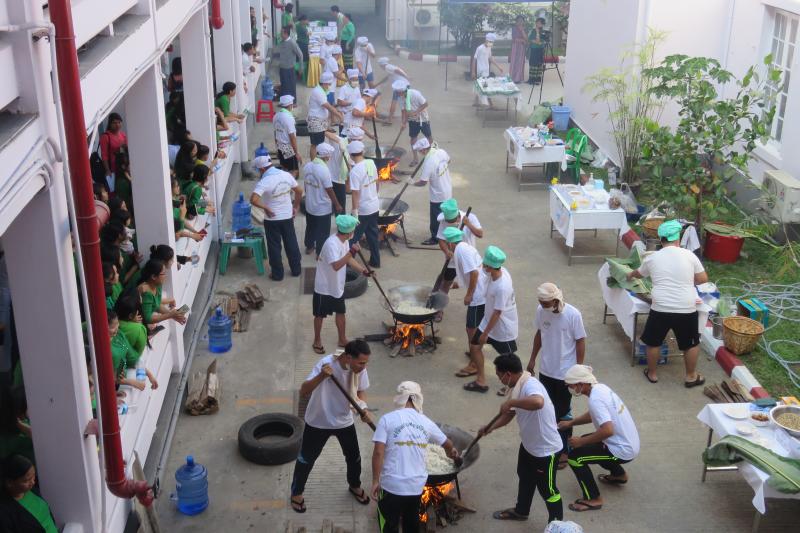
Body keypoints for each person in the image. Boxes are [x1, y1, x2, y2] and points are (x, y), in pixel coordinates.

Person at [477, 354, 563, 523]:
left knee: (548, 490)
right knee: (525, 476)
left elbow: (538, 402)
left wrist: (512, 403)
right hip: (529, 445)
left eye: (499, 376)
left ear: (508, 374)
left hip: (546, 451)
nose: (499, 380)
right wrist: (489, 428)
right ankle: (521, 511)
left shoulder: (531, 385)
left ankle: (557, 525)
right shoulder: (517, 386)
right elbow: (509, 415)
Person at [290, 340, 373, 513]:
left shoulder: (359, 369)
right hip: (319, 421)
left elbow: (360, 390)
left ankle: (354, 485)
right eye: (361, 363)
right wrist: (322, 376)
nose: (364, 367)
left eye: (365, 363)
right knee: (306, 459)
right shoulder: (326, 363)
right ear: (348, 357)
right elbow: (304, 390)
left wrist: (364, 408)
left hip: (344, 420)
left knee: (354, 457)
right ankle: (296, 493)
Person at [626, 219, 708, 387]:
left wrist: (630, 275)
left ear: (661, 239)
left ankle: (652, 374)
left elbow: (639, 274)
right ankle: (691, 376)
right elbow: (702, 279)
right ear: (677, 238)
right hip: (686, 307)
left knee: (653, 341)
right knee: (690, 344)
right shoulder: (689, 255)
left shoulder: (653, 258)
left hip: (660, 307)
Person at [371, 382, 460, 532]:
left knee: (388, 525)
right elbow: (447, 444)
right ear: (417, 398)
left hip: (391, 486)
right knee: (411, 525)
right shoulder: (426, 421)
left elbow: (378, 453)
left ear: (399, 398)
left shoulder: (387, 419)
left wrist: (375, 481)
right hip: (415, 487)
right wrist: (451, 452)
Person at [559, 364, 640, 513]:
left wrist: (580, 442)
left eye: (570, 385)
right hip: (629, 442)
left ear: (581, 384)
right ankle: (619, 475)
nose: (569, 388)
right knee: (587, 442)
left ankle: (593, 499)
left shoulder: (595, 399)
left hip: (622, 451)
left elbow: (608, 430)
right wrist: (571, 423)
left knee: (575, 457)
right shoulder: (600, 388)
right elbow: (594, 415)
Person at [526, 283, 587, 466]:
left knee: (563, 411)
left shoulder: (573, 315)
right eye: (540, 302)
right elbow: (539, 334)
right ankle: (550, 443)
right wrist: (532, 359)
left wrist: (578, 369)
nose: (542, 305)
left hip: (565, 374)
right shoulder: (541, 310)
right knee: (547, 409)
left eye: (545, 303)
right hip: (546, 370)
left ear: (555, 300)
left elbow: (580, 341)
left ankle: (565, 450)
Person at [312, 215, 369, 353]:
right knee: (319, 315)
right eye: (353, 230)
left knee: (341, 312)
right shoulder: (331, 244)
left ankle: (342, 339)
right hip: (324, 287)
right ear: (349, 232)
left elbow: (348, 260)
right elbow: (336, 266)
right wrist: (352, 252)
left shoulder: (344, 241)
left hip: (337, 285)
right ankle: (317, 341)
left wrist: (363, 270)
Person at [465, 246, 518, 393]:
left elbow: (498, 312)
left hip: (502, 327)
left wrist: (485, 333)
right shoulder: (499, 271)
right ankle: (481, 381)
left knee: (509, 359)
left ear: (490, 267)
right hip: (487, 320)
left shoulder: (502, 287)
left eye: (485, 264)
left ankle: (513, 386)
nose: (483, 265)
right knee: (474, 347)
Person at [442, 227, 490, 377]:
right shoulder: (463, 247)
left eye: (446, 243)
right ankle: (474, 352)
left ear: (450, 243)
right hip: (480, 291)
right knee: (472, 327)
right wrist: (458, 284)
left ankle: (475, 362)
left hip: (478, 296)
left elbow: (474, 273)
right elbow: (470, 271)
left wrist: (469, 294)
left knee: (471, 329)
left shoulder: (461, 251)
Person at [250, 154, 303, 280]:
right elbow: (299, 191)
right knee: (291, 242)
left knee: (274, 246)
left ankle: (277, 274)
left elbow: (253, 199)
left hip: (272, 219)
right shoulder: (286, 175)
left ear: (262, 169)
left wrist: (266, 208)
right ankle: (296, 270)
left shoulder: (265, 181)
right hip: (287, 216)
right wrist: (295, 207)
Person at [0, 455, 58, 532]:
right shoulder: (4, 513)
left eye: (33, 476)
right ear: (9, 483)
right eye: (26, 480)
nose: (33, 482)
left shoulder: (31, 490)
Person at [303, 143, 342, 256]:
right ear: (326, 156)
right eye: (329, 155)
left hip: (310, 206)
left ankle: (309, 246)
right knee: (323, 232)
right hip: (322, 208)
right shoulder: (324, 170)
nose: (330, 157)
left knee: (310, 227)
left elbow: (306, 185)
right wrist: (337, 204)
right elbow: (329, 190)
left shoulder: (307, 166)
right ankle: (320, 253)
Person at [412, 138, 452, 245]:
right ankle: (447, 234)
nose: (419, 153)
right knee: (446, 215)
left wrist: (412, 183)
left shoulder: (429, 161)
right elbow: (449, 160)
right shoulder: (441, 151)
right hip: (447, 188)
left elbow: (423, 182)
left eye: (419, 151)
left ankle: (435, 238)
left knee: (435, 218)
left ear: (423, 150)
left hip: (438, 195)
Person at [347, 141, 380, 269]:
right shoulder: (371, 163)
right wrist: (374, 195)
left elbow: (355, 193)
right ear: (362, 152)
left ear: (351, 155)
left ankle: (348, 263)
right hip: (374, 206)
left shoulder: (355, 171)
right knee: (372, 234)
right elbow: (377, 182)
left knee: (352, 236)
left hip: (363, 209)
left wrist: (354, 211)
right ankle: (375, 261)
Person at [138, 259, 187, 325]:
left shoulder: (158, 286)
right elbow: (148, 319)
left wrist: (174, 316)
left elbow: (156, 305)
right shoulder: (146, 292)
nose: (165, 276)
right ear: (154, 277)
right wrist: (170, 315)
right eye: (163, 274)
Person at [394, 80, 431, 167]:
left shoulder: (415, 94)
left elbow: (425, 104)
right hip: (412, 120)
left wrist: (416, 112)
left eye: (398, 92)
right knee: (413, 139)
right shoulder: (400, 98)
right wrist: (403, 123)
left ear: (403, 91)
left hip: (423, 118)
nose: (397, 94)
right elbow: (404, 111)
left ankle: (431, 156)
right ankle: (415, 159)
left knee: (429, 137)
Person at [307, 71, 343, 160]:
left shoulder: (322, 91)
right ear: (324, 83)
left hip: (320, 121)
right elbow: (328, 106)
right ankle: (314, 162)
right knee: (316, 144)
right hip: (315, 121)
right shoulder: (318, 92)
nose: (329, 86)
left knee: (320, 142)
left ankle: (317, 160)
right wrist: (338, 115)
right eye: (328, 84)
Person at [375, 57, 410, 125]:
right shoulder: (389, 67)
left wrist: (407, 77)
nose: (380, 67)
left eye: (380, 65)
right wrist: (377, 84)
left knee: (394, 101)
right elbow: (387, 78)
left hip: (400, 86)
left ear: (382, 64)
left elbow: (397, 70)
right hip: (406, 85)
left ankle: (390, 120)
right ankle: (407, 118)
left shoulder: (387, 67)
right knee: (406, 102)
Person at [274, 95, 302, 177]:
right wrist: (296, 153)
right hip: (288, 147)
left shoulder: (276, 116)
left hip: (280, 146)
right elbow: (292, 137)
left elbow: (275, 133)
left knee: (284, 168)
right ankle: (287, 184)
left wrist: (277, 147)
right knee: (294, 171)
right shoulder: (289, 118)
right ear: (290, 105)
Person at [472, 33, 503, 108]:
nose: (491, 44)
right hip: (481, 71)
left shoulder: (489, 48)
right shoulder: (480, 48)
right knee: (485, 88)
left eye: (492, 42)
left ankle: (476, 102)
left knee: (480, 86)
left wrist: (498, 67)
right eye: (490, 42)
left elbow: (490, 58)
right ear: (486, 40)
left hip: (486, 70)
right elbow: (474, 59)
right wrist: (473, 72)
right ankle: (490, 104)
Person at [100, 112, 128, 181]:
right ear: (110, 124)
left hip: (124, 168)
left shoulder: (123, 135)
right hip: (112, 169)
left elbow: (126, 150)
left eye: (119, 122)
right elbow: (104, 155)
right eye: (114, 123)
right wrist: (107, 170)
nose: (117, 125)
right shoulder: (105, 137)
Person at [277, 26, 303, 99]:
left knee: (290, 87)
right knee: (284, 86)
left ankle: (293, 102)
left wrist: (301, 68)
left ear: (286, 34)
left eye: (281, 33)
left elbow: (300, 55)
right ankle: (284, 102)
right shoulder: (282, 42)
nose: (280, 34)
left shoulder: (292, 43)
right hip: (282, 68)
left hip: (289, 69)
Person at [336, 69, 362, 136]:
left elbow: (359, 101)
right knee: (344, 137)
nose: (356, 81)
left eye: (357, 79)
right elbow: (339, 102)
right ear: (349, 80)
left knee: (353, 136)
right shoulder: (344, 88)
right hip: (345, 116)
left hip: (354, 116)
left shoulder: (357, 88)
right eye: (354, 80)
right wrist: (351, 103)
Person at [510, 15, 528, 83]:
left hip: (522, 48)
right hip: (515, 47)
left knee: (520, 62)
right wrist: (522, 40)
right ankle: (512, 78)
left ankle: (518, 78)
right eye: (518, 20)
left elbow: (526, 39)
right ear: (516, 21)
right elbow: (514, 39)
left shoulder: (525, 29)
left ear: (523, 21)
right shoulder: (514, 28)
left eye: (521, 20)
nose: (520, 22)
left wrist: (522, 30)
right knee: (514, 62)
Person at [528, 18, 546, 85]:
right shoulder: (533, 30)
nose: (537, 24)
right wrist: (537, 42)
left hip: (540, 50)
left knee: (539, 64)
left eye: (539, 23)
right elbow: (531, 39)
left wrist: (538, 33)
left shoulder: (543, 31)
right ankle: (532, 79)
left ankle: (537, 80)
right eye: (537, 22)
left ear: (542, 24)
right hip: (534, 49)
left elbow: (541, 42)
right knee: (533, 63)